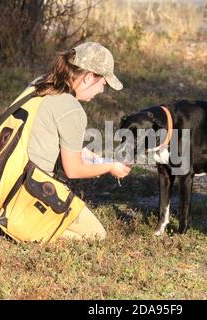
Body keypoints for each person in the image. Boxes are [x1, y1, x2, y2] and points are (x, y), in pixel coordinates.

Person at [27, 42, 131, 241]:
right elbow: (73, 170)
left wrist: (91, 156)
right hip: (29, 187)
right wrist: (110, 168)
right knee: (96, 234)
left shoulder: (40, 84)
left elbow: (48, 135)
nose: (102, 90)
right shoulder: (71, 109)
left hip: (4, 178)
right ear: (89, 77)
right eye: (104, 84)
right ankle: (29, 228)